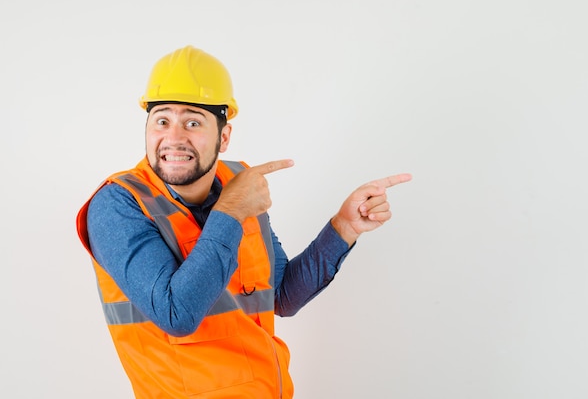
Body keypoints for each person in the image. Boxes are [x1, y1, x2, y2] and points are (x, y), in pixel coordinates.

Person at [76, 45, 412, 399]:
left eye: (192, 122)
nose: (174, 137)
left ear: (224, 136)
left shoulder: (237, 183)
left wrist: (344, 227)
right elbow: (176, 314)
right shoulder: (119, 204)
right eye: (162, 120)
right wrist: (232, 210)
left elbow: (281, 296)